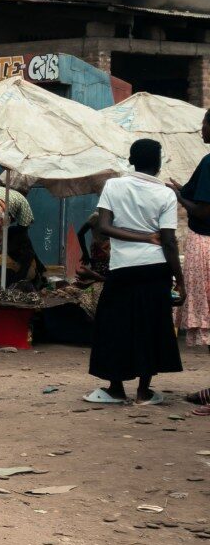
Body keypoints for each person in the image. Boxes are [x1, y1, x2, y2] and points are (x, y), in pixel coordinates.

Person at [85, 139, 183, 407]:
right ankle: (143, 391)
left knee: (114, 325)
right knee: (151, 326)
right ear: (159, 163)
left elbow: (104, 226)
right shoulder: (165, 194)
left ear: (131, 160)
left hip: (122, 268)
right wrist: (180, 281)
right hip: (155, 268)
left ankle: (115, 388)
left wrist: (137, 237)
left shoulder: (113, 186)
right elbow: (169, 241)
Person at [170, 109, 210, 353]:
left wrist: (179, 198)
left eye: (204, 124)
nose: (201, 129)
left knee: (205, 312)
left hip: (204, 242)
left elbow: (204, 211)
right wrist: (183, 189)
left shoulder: (208, 161)